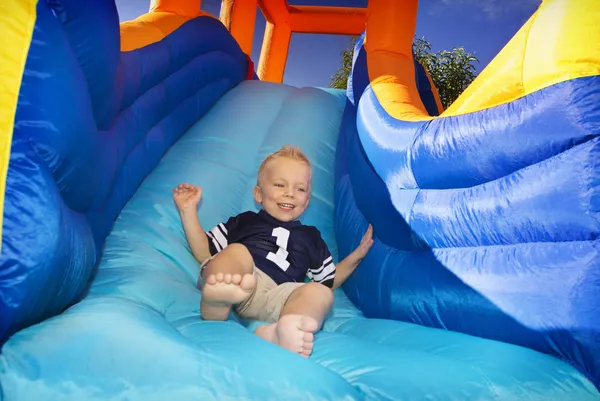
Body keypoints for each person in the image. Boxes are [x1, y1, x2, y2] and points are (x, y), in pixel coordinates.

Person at [173, 145, 373, 357]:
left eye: (300, 189)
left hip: (278, 296)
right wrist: (188, 211)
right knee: (237, 252)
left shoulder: (311, 237)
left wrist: (357, 255)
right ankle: (217, 301)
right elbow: (205, 251)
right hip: (241, 276)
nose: (290, 193)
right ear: (258, 194)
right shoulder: (245, 221)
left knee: (319, 292)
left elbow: (328, 280)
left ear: (306, 202)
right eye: (279, 185)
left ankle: (285, 328)